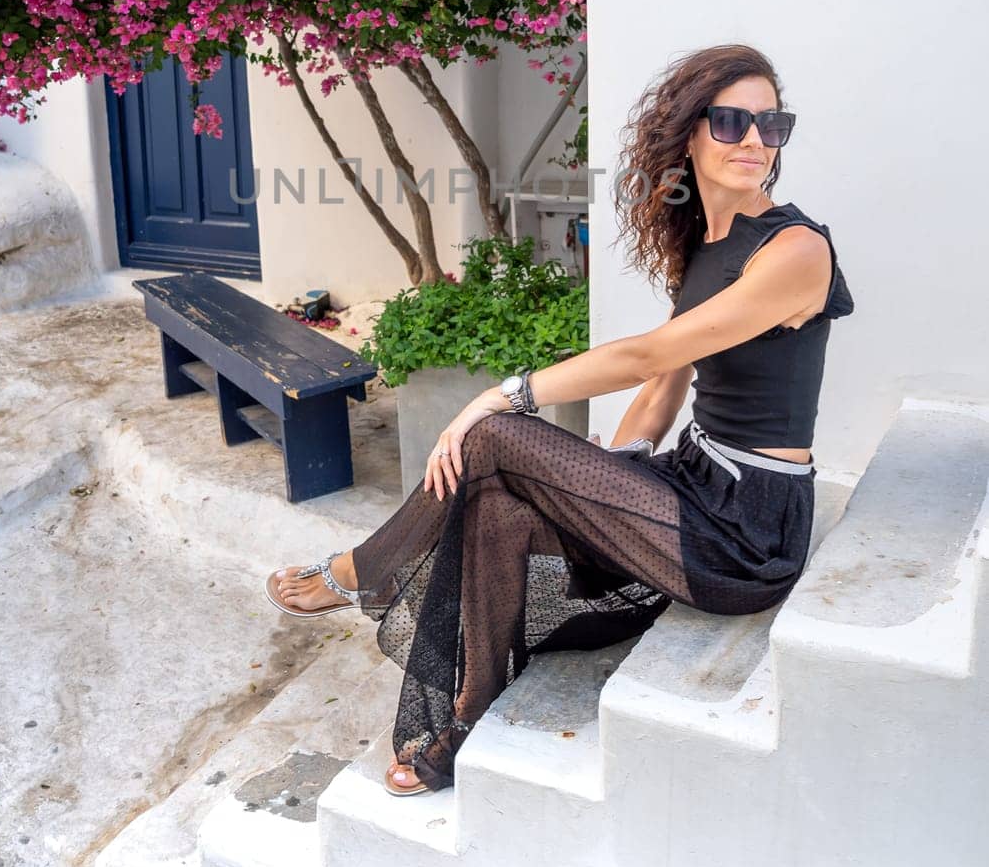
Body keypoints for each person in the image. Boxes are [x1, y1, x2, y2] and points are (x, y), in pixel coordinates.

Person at [266, 44, 855, 795]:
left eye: (771, 124)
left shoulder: (795, 249)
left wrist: (503, 393)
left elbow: (647, 354)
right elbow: (662, 390)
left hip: (747, 530)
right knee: (497, 510)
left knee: (492, 434)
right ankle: (466, 711)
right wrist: (606, 484)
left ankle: (359, 572)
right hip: (688, 486)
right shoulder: (704, 245)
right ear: (687, 131)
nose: (753, 141)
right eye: (732, 120)